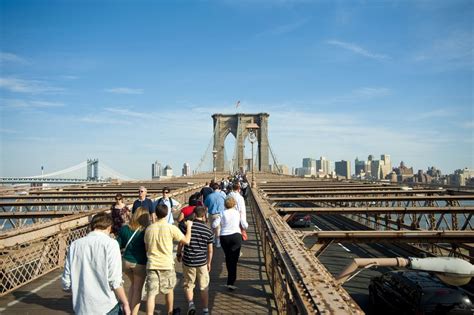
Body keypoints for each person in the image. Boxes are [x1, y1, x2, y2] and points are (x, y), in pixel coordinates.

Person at [62, 212, 131, 315]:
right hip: (106, 307)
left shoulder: (75, 245)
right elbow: (115, 281)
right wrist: (125, 303)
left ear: (92, 226)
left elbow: (66, 283)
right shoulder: (111, 244)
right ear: (109, 227)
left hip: (81, 308)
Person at [144, 204, 193, 315]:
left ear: (156, 214)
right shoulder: (171, 228)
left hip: (152, 264)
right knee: (169, 290)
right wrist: (189, 227)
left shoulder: (149, 229)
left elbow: (147, 248)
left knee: (151, 294)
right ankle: (170, 312)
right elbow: (186, 241)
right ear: (167, 214)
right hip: (166, 263)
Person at [176, 206, 214, 315]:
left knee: (189, 284)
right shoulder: (208, 231)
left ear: (194, 214)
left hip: (188, 260)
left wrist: (179, 254)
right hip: (202, 261)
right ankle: (206, 310)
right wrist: (209, 262)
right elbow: (210, 250)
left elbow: (181, 242)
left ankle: (191, 304)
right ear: (204, 215)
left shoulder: (186, 227)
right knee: (203, 286)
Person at [116, 207, 150, 315]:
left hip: (126, 262)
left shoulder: (124, 228)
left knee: (133, 284)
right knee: (137, 290)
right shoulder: (146, 230)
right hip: (139, 263)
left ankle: (127, 309)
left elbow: (117, 245)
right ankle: (133, 313)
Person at [212, 197, 248, 291]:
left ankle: (230, 280)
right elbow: (245, 225)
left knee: (228, 257)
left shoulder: (222, 213)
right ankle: (231, 281)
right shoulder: (238, 213)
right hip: (236, 236)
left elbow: (214, 225)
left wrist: (220, 221)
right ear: (234, 204)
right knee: (234, 260)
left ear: (225, 205)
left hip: (224, 237)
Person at [204, 182, 226, 248]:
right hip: (220, 214)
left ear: (212, 189)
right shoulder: (223, 195)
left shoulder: (209, 196)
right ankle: (218, 243)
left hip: (211, 214)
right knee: (218, 229)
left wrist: (206, 216)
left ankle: (213, 240)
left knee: (212, 228)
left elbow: (205, 206)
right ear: (218, 188)